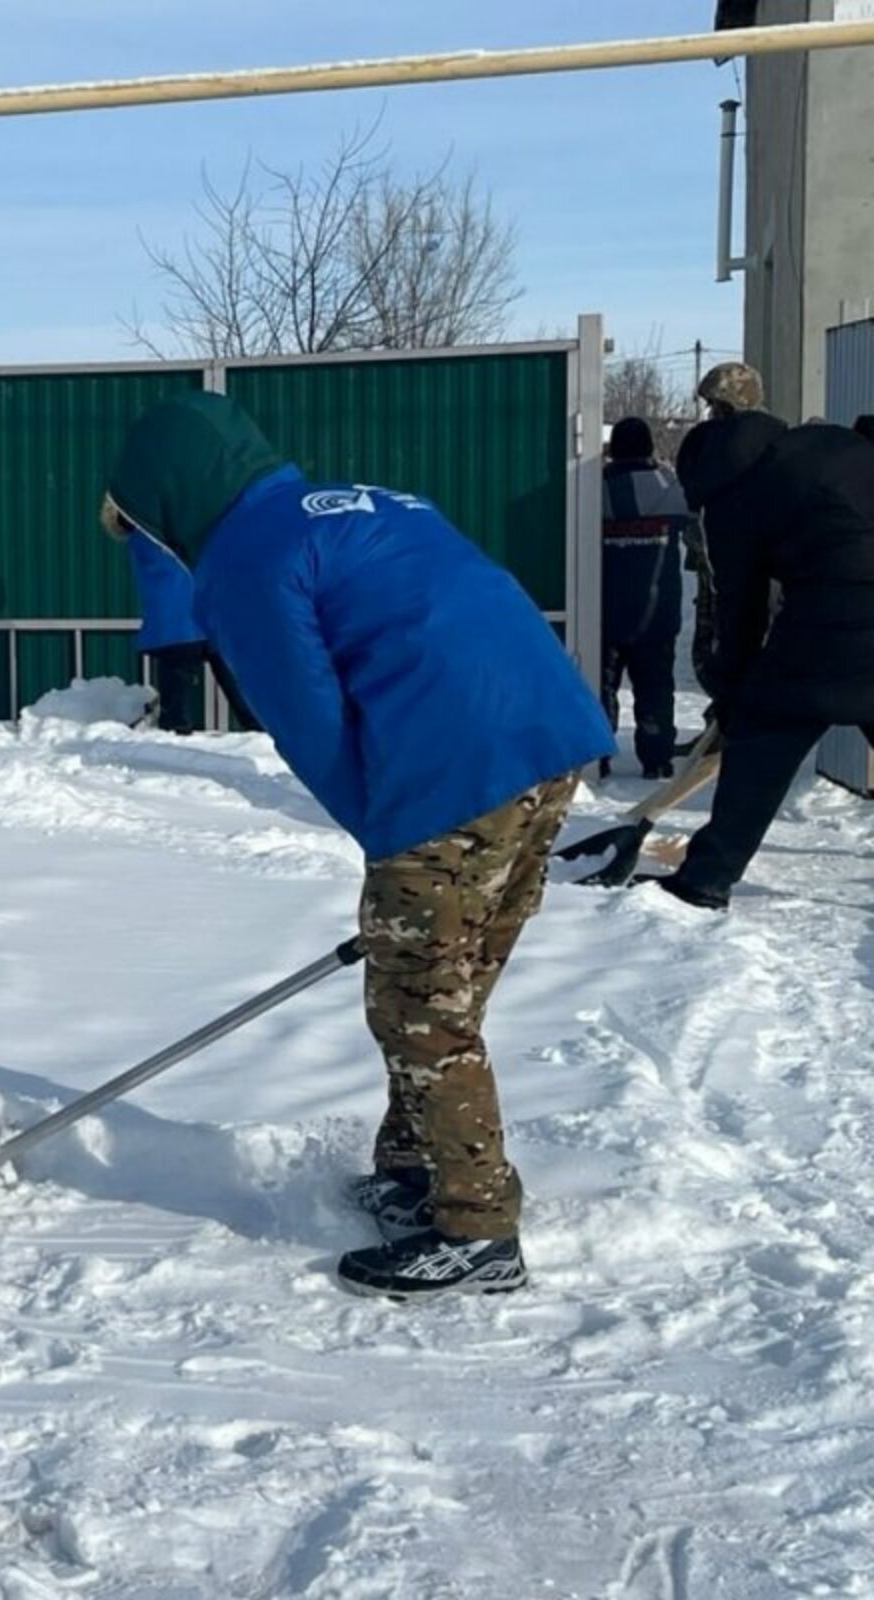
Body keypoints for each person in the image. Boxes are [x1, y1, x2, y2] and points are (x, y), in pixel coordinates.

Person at [103, 395, 613, 1300]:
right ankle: (419, 1167)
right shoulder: (371, 502)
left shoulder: (245, 563)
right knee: (446, 983)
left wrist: (390, 841)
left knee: (421, 1003)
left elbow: (311, 727)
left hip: (455, 768)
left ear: (173, 499)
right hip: (553, 738)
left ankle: (476, 1227)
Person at [661, 416, 874, 909]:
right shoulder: (831, 441)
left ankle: (706, 878)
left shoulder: (738, 496)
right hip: (841, 603)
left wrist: (732, 693)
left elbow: (743, 606)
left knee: (764, 737)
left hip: (837, 614)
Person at [600, 416, 691, 779]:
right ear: (650, 447)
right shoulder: (669, 487)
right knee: (655, 685)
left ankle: (598, 756)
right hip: (657, 610)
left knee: (601, 685)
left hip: (604, 610)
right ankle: (657, 757)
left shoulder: (595, 491)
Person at [114, 519, 261, 734]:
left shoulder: (145, 537)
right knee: (239, 687)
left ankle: (177, 736)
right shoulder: (199, 530)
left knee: (176, 696)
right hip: (211, 619)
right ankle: (261, 733)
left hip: (174, 623)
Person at [686, 362, 771, 699]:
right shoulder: (775, 439)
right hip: (734, 566)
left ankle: (725, 730)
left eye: (715, 406)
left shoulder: (720, 448)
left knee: (720, 657)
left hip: (734, 569)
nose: (710, 414)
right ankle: (720, 729)